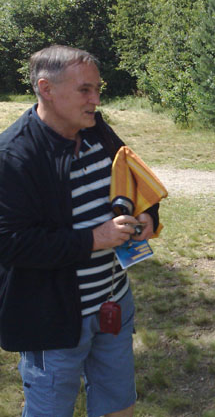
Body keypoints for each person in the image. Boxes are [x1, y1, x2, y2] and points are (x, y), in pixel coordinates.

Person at [0, 45, 160, 417]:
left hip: (113, 301)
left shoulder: (97, 130)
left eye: (97, 89)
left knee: (119, 406)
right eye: (85, 90)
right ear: (46, 89)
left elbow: (135, 180)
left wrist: (148, 214)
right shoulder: (13, 155)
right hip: (52, 319)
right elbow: (10, 243)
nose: (95, 99)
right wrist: (94, 238)